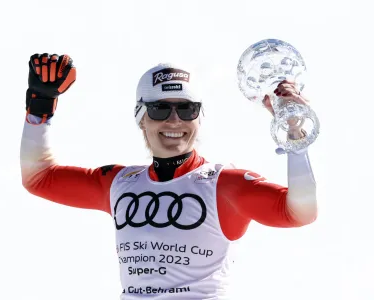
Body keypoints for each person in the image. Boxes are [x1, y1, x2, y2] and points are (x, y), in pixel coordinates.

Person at [21, 53, 318, 299]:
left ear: (199, 118)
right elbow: (39, 178)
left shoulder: (225, 185)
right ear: (141, 117)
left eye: (187, 109)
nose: (174, 120)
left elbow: (300, 213)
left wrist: (295, 134)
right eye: (160, 109)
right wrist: (40, 107)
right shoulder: (120, 183)